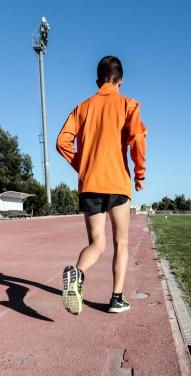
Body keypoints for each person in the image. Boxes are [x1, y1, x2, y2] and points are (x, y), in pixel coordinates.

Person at [56, 56, 147, 314]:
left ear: (98, 81)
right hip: (117, 184)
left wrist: (84, 166)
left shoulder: (82, 108)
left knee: (97, 242)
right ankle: (117, 299)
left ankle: (78, 272)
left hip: (90, 185)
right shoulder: (128, 105)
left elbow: (62, 142)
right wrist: (139, 174)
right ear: (121, 80)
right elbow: (138, 140)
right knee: (121, 242)